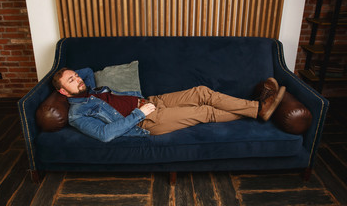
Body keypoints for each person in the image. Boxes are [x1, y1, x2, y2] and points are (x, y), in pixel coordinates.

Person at [52, 67, 286, 142]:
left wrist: (71, 75)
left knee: (202, 92)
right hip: (146, 120)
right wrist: (138, 114)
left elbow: (83, 73)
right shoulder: (77, 114)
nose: (79, 79)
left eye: (77, 76)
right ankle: (259, 109)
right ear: (63, 91)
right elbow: (104, 134)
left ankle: (258, 108)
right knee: (204, 112)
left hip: (153, 101)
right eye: (71, 80)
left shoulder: (88, 88)